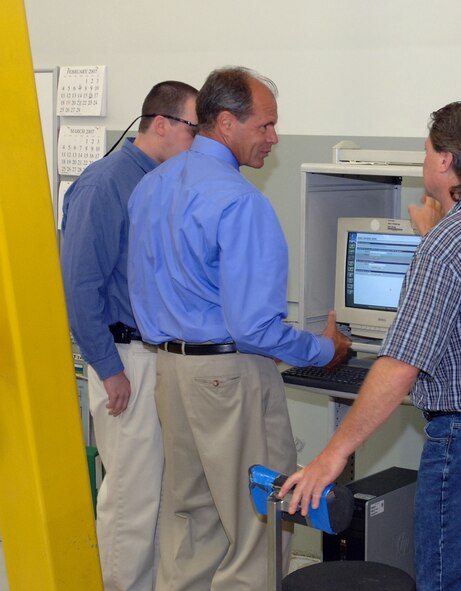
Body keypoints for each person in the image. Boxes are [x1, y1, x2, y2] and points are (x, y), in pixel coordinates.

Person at [281, 101, 461, 590]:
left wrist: (332, 456)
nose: (423, 159)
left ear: (446, 160)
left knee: (455, 582)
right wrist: (436, 234)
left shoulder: (449, 245)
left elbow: (399, 367)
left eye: (427, 150)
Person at [127, 66, 350, 590]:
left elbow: (143, 289)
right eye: (266, 126)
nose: (274, 138)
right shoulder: (240, 201)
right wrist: (324, 350)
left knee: (190, 524)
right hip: (228, 379)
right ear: (226, 123)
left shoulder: (151, 186)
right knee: (259, 529)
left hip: (170, 372)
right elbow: (255, 329)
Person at [60, 80, 199, 591]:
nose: (199, 140)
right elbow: (79, 285)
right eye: (194, 128)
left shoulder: (167, 183)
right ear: (160, 124)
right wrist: (108, 367)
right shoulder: (107, 183)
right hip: (125, 360)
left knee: (164, 498)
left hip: (160, 357)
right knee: (131, 501)